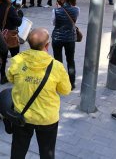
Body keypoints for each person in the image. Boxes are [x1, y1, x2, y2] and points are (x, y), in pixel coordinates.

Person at [7, 28, 71, 159]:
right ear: (47, 45)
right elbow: (66, 90)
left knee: (18, 151)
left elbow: (10, 78)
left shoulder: (17, 60)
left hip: (22, 115)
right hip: (47, 118)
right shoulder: (57, 66)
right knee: (47, 152)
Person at [52, 0, 79, 89]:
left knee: (58, 61)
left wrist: (58, 10)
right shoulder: (77, 9)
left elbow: (53, 23)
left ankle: (59, 83)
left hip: (57, 38)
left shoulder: (55, 11)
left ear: (62, 0)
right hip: (70, 38)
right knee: (70, 60)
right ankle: (72, 83)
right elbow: (74, 21)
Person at [0, 0, 23, 84]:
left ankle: (2, 76)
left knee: (2, 57)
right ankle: (15, 76)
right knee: (16, 57)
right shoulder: (10, 9)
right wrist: (20, 14)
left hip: (0, 34)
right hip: (11, 35)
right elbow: (18, 22)